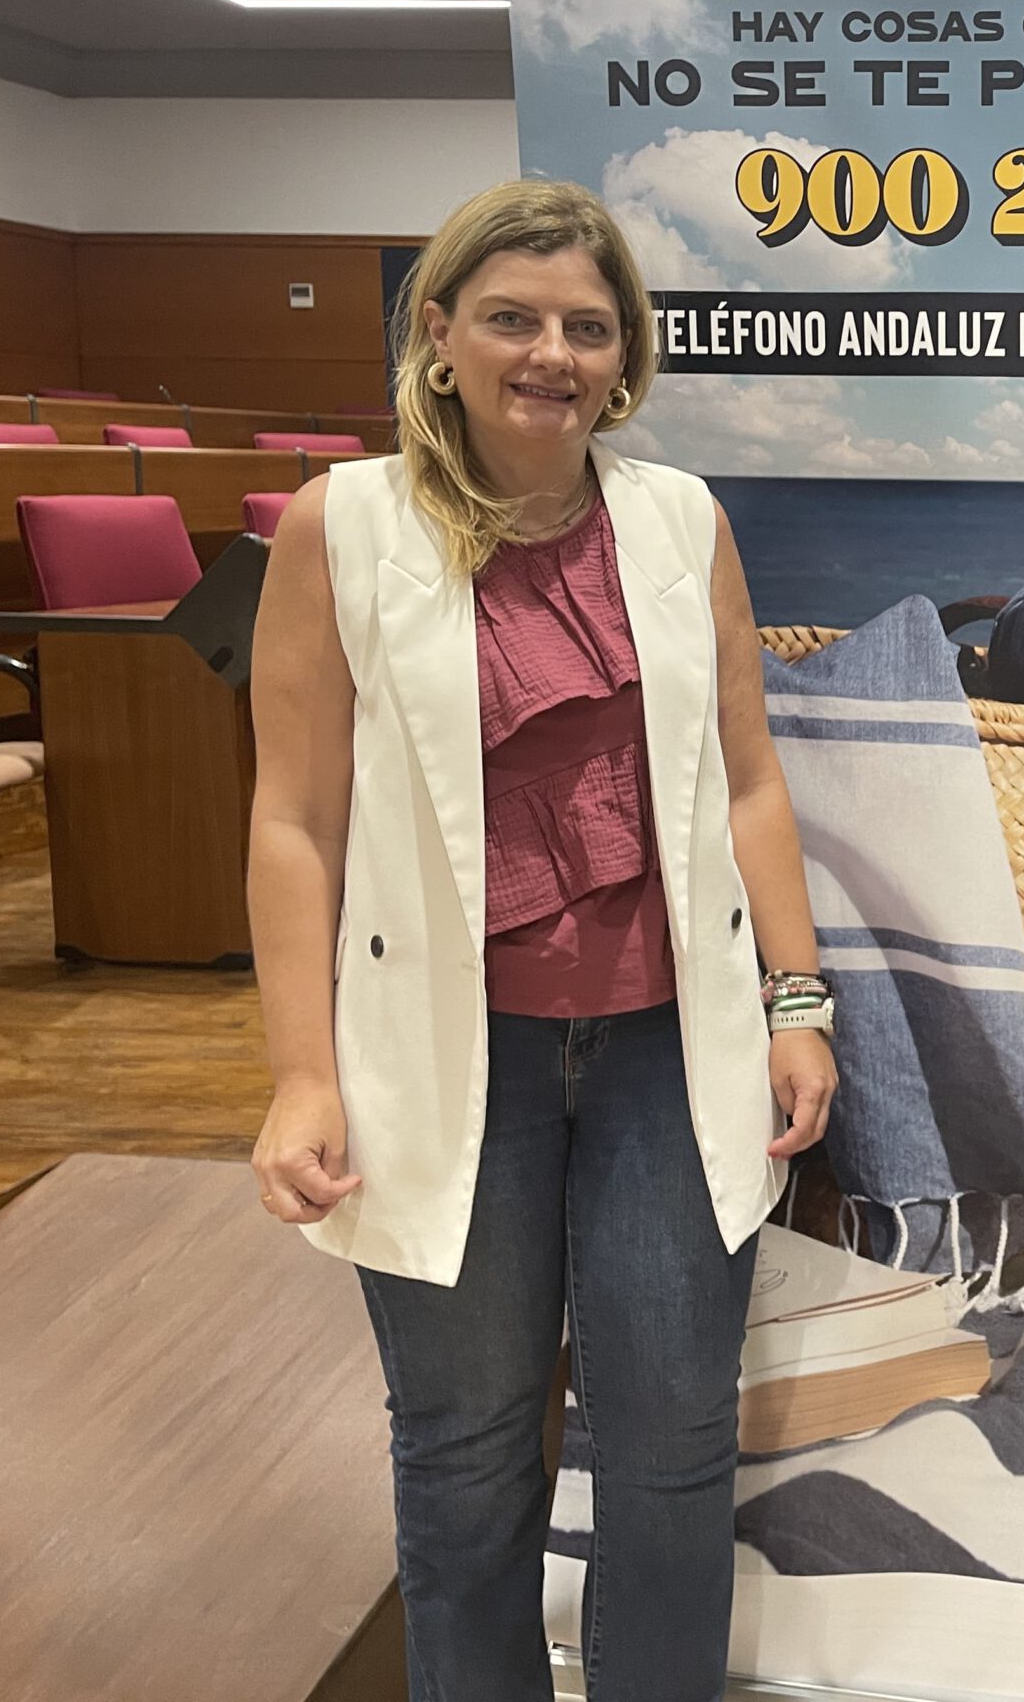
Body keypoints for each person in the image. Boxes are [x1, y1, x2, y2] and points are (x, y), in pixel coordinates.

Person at [246, 179, 836, 1702]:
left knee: (672, 1446)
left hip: (667, 1055)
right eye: (512, 319)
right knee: (465, 1453)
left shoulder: (681, 520)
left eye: (588, 326)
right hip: (447, 1060)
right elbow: (294, 822)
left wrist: (798, 998)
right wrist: (301, 1076)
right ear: (439, 334)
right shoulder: (341, 527)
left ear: (625, 352)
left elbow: (751, 782)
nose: (551, 356)